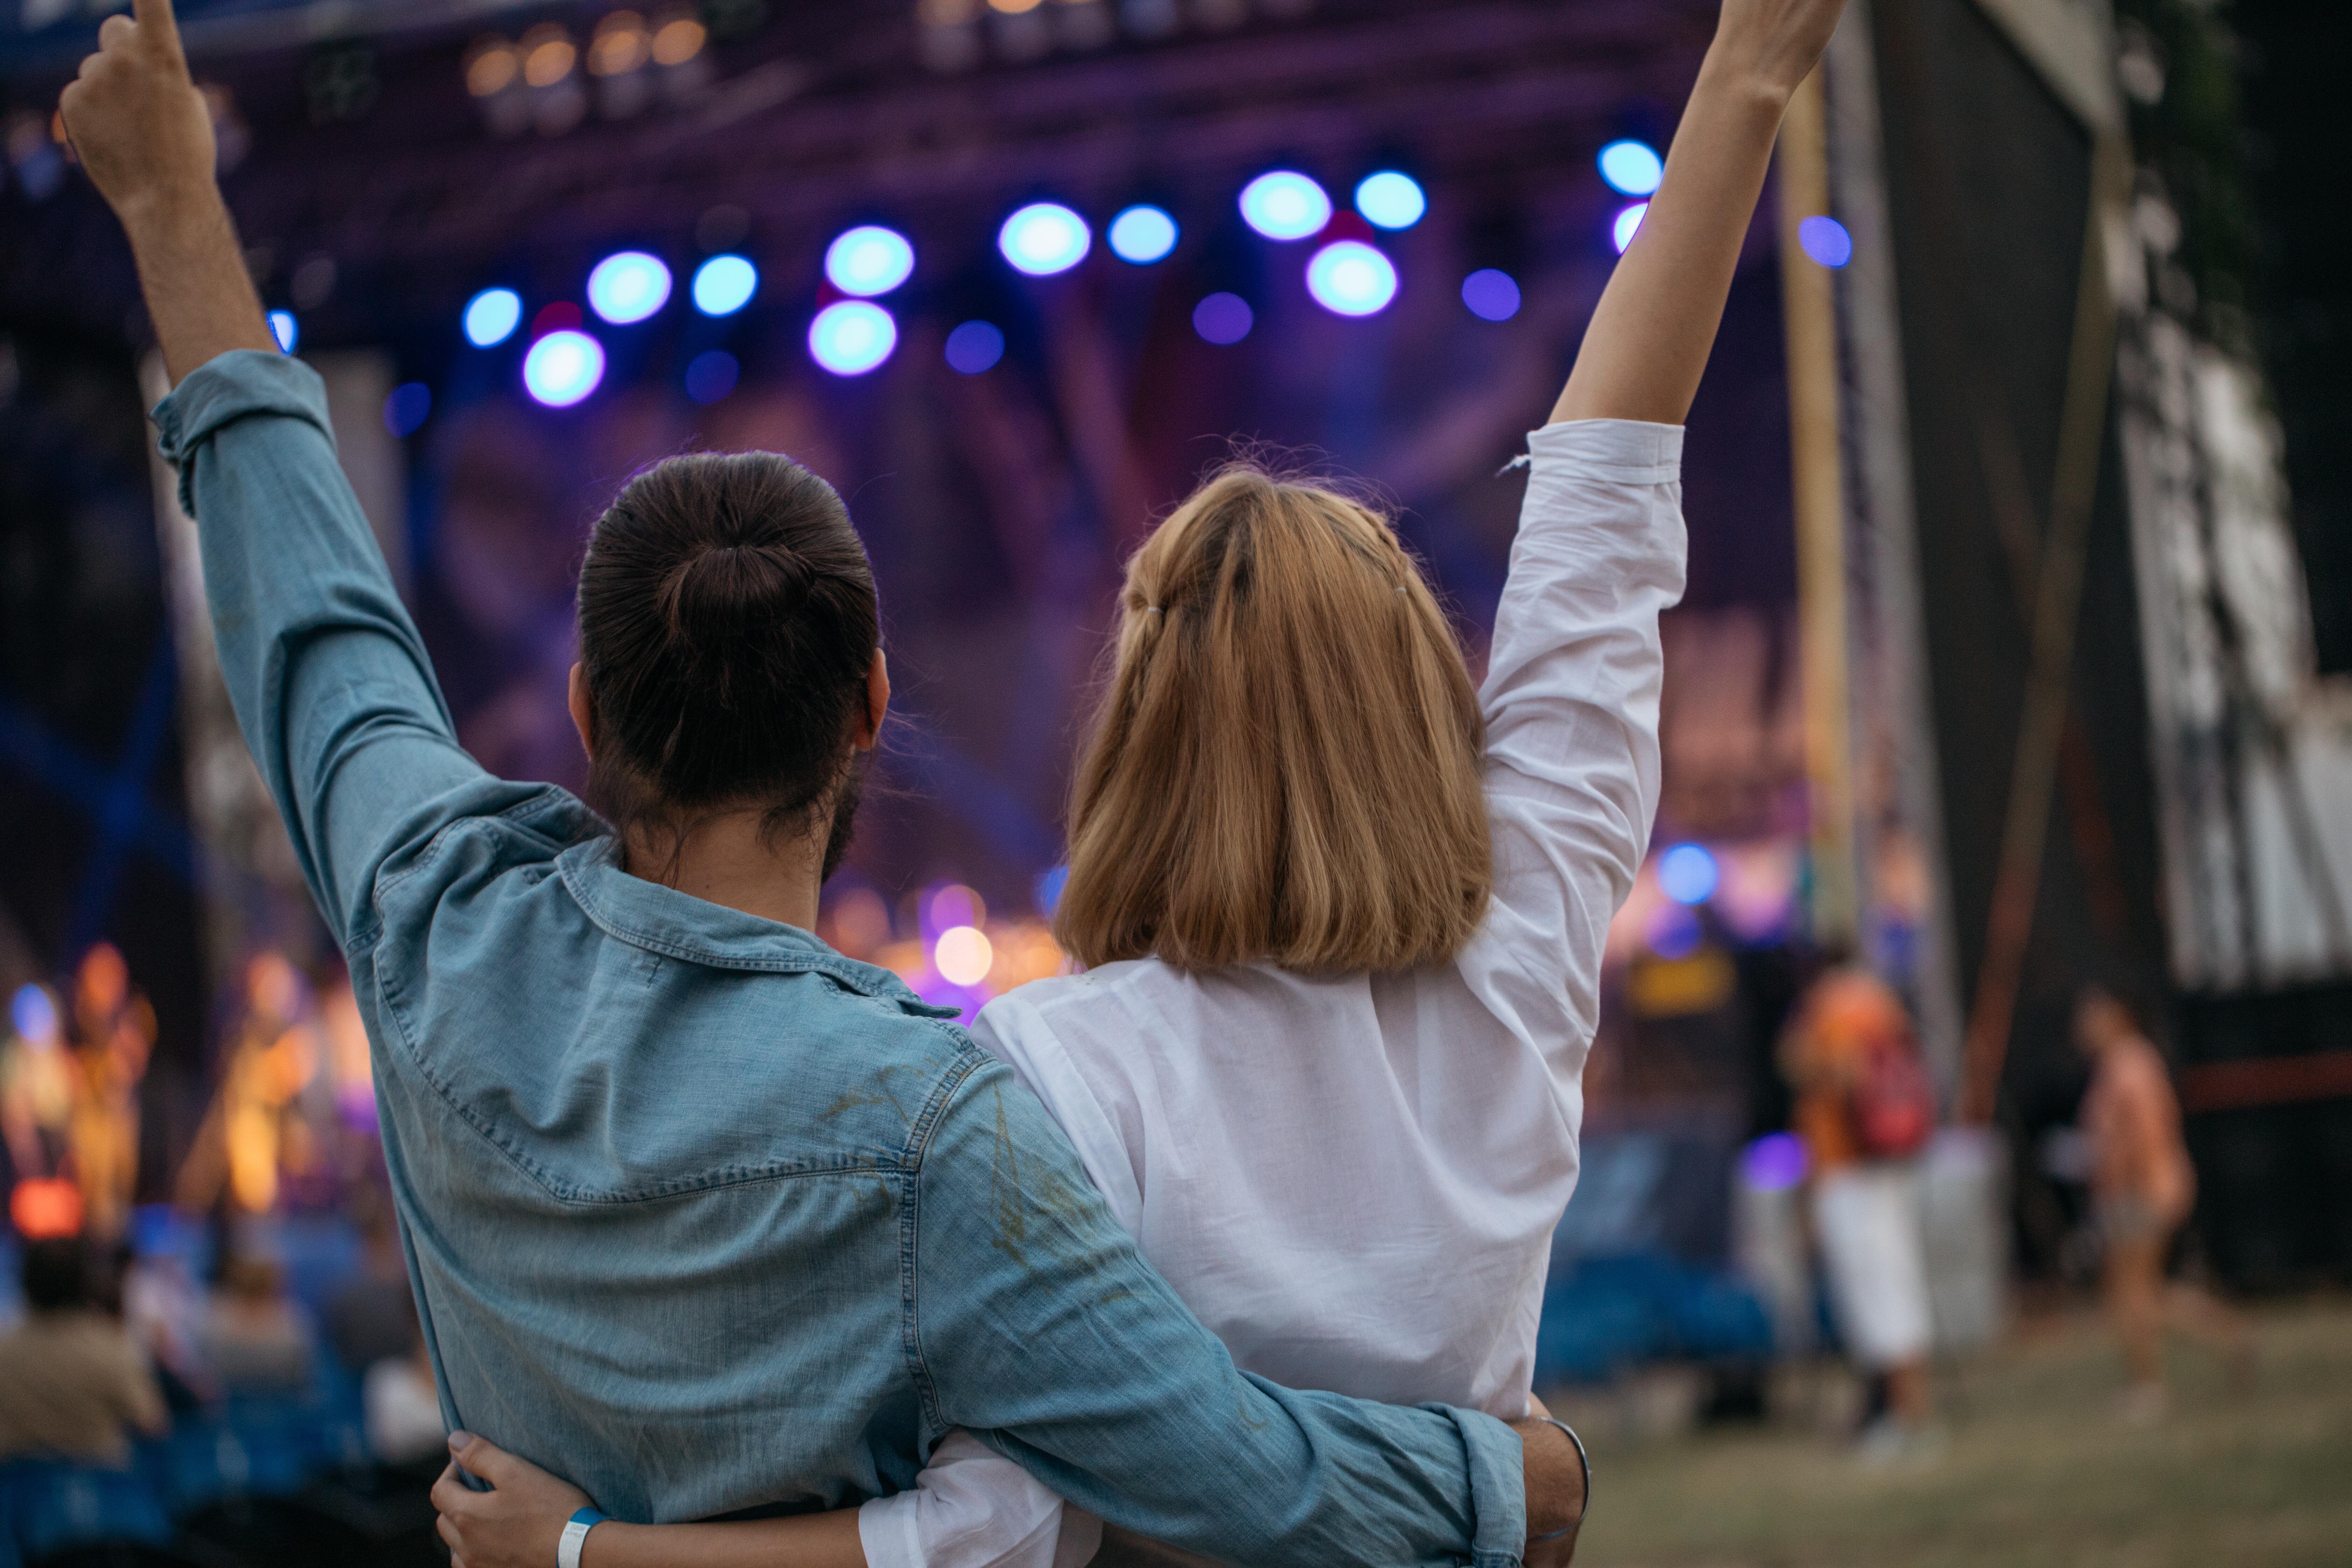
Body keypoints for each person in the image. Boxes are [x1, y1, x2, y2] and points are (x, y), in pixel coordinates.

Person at [58, 5, 1591, 1563]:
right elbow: (1231, 1466)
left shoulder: (437, 920)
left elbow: (310, 616)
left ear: (590, 709)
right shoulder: (945, 1128)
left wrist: (171, 205)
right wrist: (1509, 1485)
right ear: (868, 704)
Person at [411, 0, 1857, 1560]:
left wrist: (577, 1554)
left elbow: (977, 1538)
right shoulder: (1513, 964)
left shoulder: (1042, 1069)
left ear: (1136, 730)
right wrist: (1742, 80)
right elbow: (1602, 508)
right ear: (1418, 698)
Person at [1781, 963, 1939, 1458]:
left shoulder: (1833, 1009)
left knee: (1878, 1297)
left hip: (1851, 1170)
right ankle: (1905, 1411)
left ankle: (1902, 1416)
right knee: (1898, 1288)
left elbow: (1812, 1066)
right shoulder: (1882, 1001)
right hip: (1885, 1166)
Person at [2074, 987, 2249, 1422]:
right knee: (2138, 1291)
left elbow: (2146, 1132)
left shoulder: (2131, 1064)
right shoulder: (2118, 1063)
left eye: (2093, 1014)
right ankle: (2228, 1335)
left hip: (2141, 1192)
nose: (2083, 1024)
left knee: (2133, 1293)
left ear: (2119, 1016)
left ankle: (2150, 1385)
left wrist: (2126, 1186)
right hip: (2135, 1191)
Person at [0, 1235, 169, 1465]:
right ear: (85, 1283)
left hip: (19, 1494)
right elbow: (152, 1423)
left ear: (25, 1282)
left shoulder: (6, 1349)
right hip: (98, 1493)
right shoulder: (108, 1345)